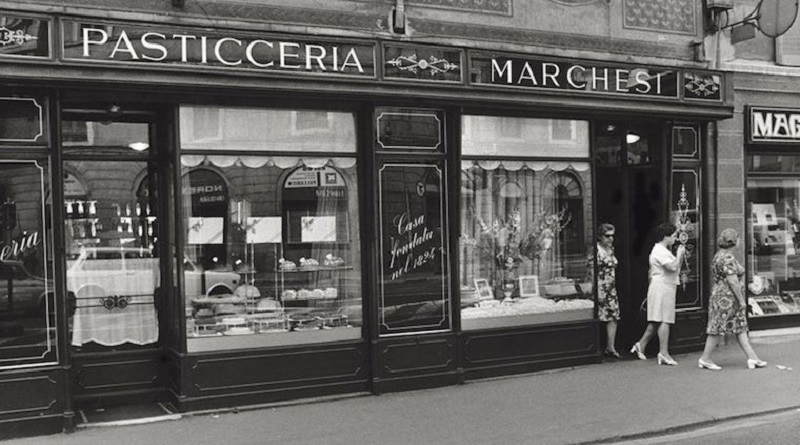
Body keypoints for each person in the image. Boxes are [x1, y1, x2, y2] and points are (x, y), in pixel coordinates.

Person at [697, 228, 767, 371]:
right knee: (719, 327)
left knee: (739, 326)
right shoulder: (728, 258)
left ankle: (752, 357)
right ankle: (705, 358)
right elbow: (733, 281)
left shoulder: (719, 255)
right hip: (727, 298)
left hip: (721, 295)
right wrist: (741, 300)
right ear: (734, 241)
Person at [630, 222, 686, 365]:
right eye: (673, 235)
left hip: (662, 286)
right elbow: (672, 267)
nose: (675, 238)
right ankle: (663, 353)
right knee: (665, 319)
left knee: (656, 320)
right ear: (666, 236)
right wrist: (679, 255)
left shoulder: (661, 250)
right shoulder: (660, 251)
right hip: (663, 287)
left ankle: (641, 345)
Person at [590, 223, 621, 358]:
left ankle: (610, 347)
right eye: (607, 236)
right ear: (599, 236)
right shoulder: (596, 250)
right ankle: (595, 347)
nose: (610, 239)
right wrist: (592, 288)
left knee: (613, 316)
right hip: (599, 287)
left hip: (610, 288)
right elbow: (590, 269)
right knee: (597, 316)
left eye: (612, 236)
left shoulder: (610, 249)